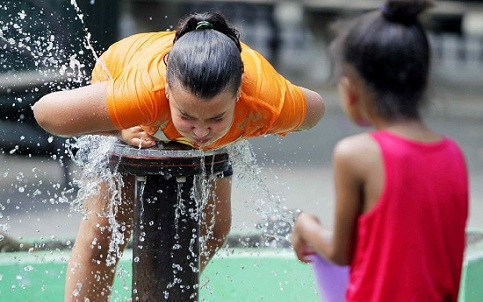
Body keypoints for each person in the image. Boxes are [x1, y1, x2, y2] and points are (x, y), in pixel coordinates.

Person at [33, 12, 325, 301]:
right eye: (188, 116)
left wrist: (254, 124)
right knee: (103, 236)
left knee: (214, 229)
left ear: (238, 96)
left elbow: (316, 111)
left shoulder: (267, 100)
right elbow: (46, 113)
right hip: (127, 79)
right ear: (168, 93)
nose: (200, 132)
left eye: (215, 117)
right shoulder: (142, 94)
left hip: (208, 98)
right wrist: (118, 128)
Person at [290, 0, 468, 301]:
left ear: (351, 88)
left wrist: (304, 224)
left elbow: (340, 253)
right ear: (423, 80)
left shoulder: (356, 155)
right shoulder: (453, 154)